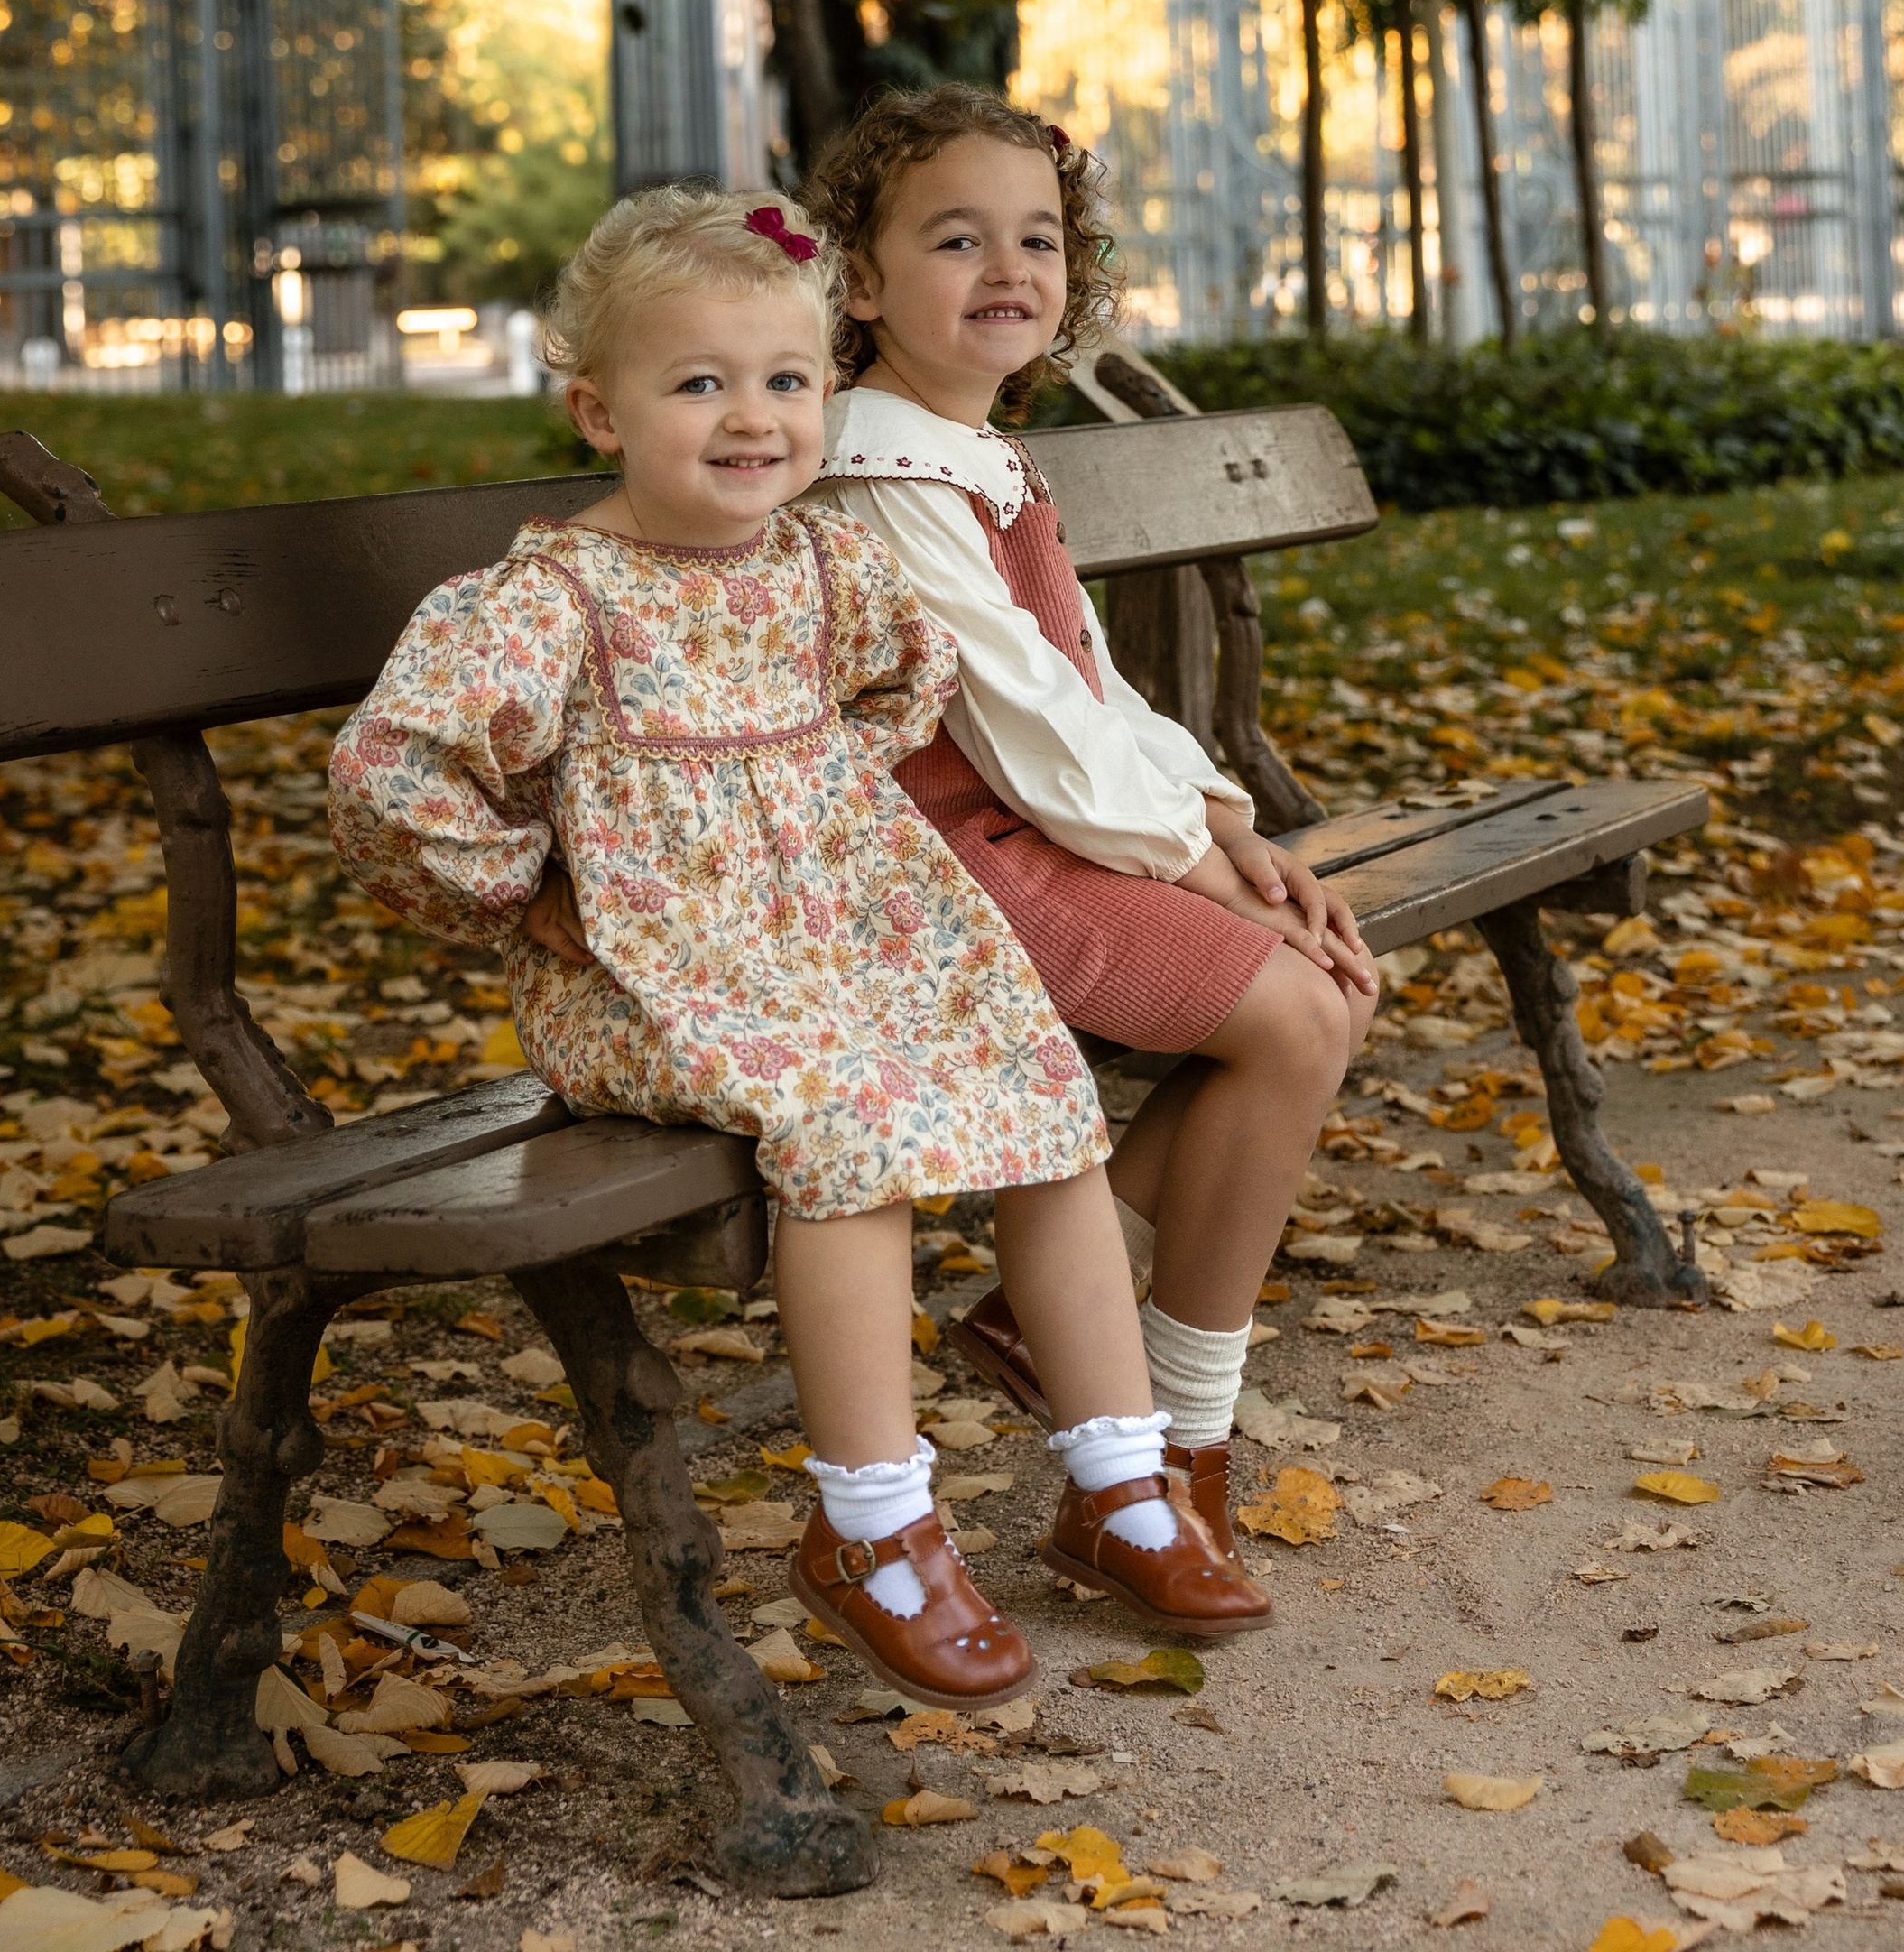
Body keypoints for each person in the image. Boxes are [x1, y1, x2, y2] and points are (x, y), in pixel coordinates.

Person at [327, 184, 1265, 1706]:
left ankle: (1121, 1483)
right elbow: (390, 775)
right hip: (654, 980)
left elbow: (907, 685)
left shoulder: (819, 563)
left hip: (839, 940)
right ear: (597, 408)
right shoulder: (550, 599)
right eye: (698, 383)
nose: (751, 419)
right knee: (848, 1132)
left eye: (786, 381)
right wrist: (535, 886)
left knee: (1039, 1090)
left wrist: (810, 817)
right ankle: (873, 1531)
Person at [807, 91, 1377, 1582]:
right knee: (1298, 1015)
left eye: (1037, 239)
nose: (1008, 266)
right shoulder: (878, 462)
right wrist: (1195, 869)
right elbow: (1023, 726)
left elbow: (1095, 687)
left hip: (1034, 835)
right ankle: (1178, 1444)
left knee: (1314, 1002)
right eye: (955, 238)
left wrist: (1227, 831)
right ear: (859, 283)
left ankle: (1124, 1398)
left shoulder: (972, 449)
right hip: (952, 867)